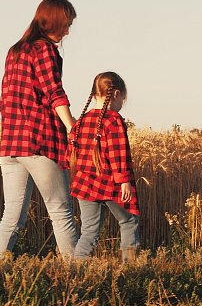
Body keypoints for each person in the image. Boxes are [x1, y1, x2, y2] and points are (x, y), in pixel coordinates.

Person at [0, 0, 79, 262]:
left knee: (11, 217)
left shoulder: (15, 51)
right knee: (61, 212)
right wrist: (71, 127)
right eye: (66, 24)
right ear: (54, 21)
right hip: (40, 143)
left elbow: (4, 99)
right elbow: (54, 92)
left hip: (11, 145)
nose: (67, 31)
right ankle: (78, 274)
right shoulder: (44, 50)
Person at [69, 72, 141, 262]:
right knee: (128, 220)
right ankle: (130, 267)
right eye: (122, 99)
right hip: (110, 183)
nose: (121, 103)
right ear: (116, 94)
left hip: (84, 184)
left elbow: (71, 153)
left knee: (89, 231)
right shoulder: (113, 120)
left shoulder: (81, 121)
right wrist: (124, 181)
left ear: (94, 95)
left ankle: (76, 270)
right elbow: (118, 154)